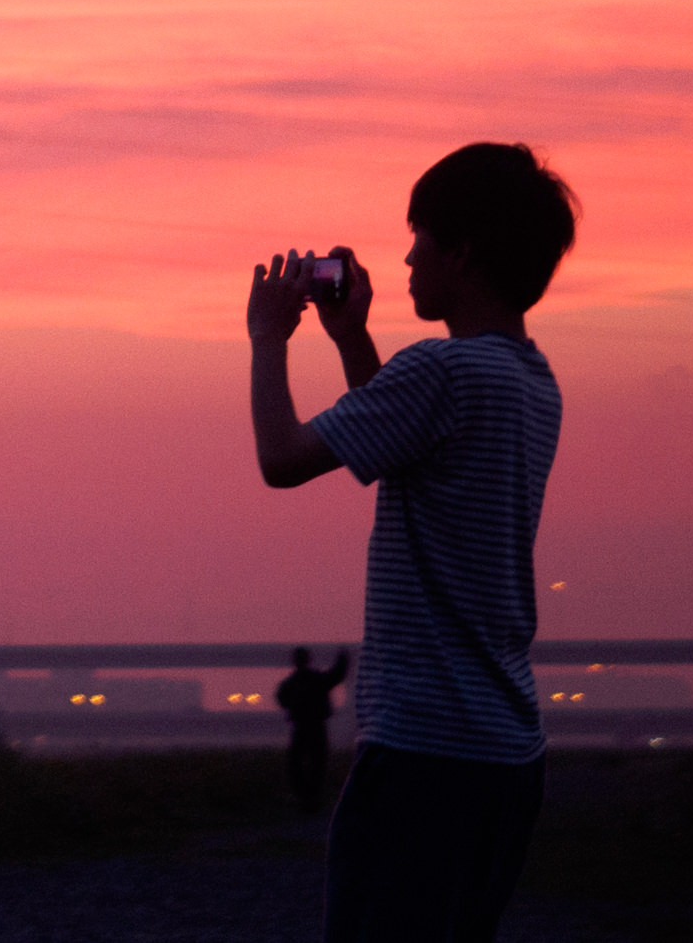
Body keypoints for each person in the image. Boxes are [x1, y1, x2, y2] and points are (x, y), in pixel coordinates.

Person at [247, 141, 577, 943]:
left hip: (424, 748)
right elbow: (404, 438)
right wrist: (352, 341)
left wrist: (268, 339)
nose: (405, 254)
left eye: (421, 236)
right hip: (506, 751)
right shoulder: (531, 380)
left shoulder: (440, 371)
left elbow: (282, 459)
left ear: (462, 251)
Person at [277, 643, 352, 814]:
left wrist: (294, 706)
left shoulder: (291, 683)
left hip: (302, 728)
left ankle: (306, 798)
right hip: (316, 728)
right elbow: (336, 675)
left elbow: (281, 698)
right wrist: (343, 658)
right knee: (316, 765)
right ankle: (312, 798)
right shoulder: (316, 679)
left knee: (298, 765)